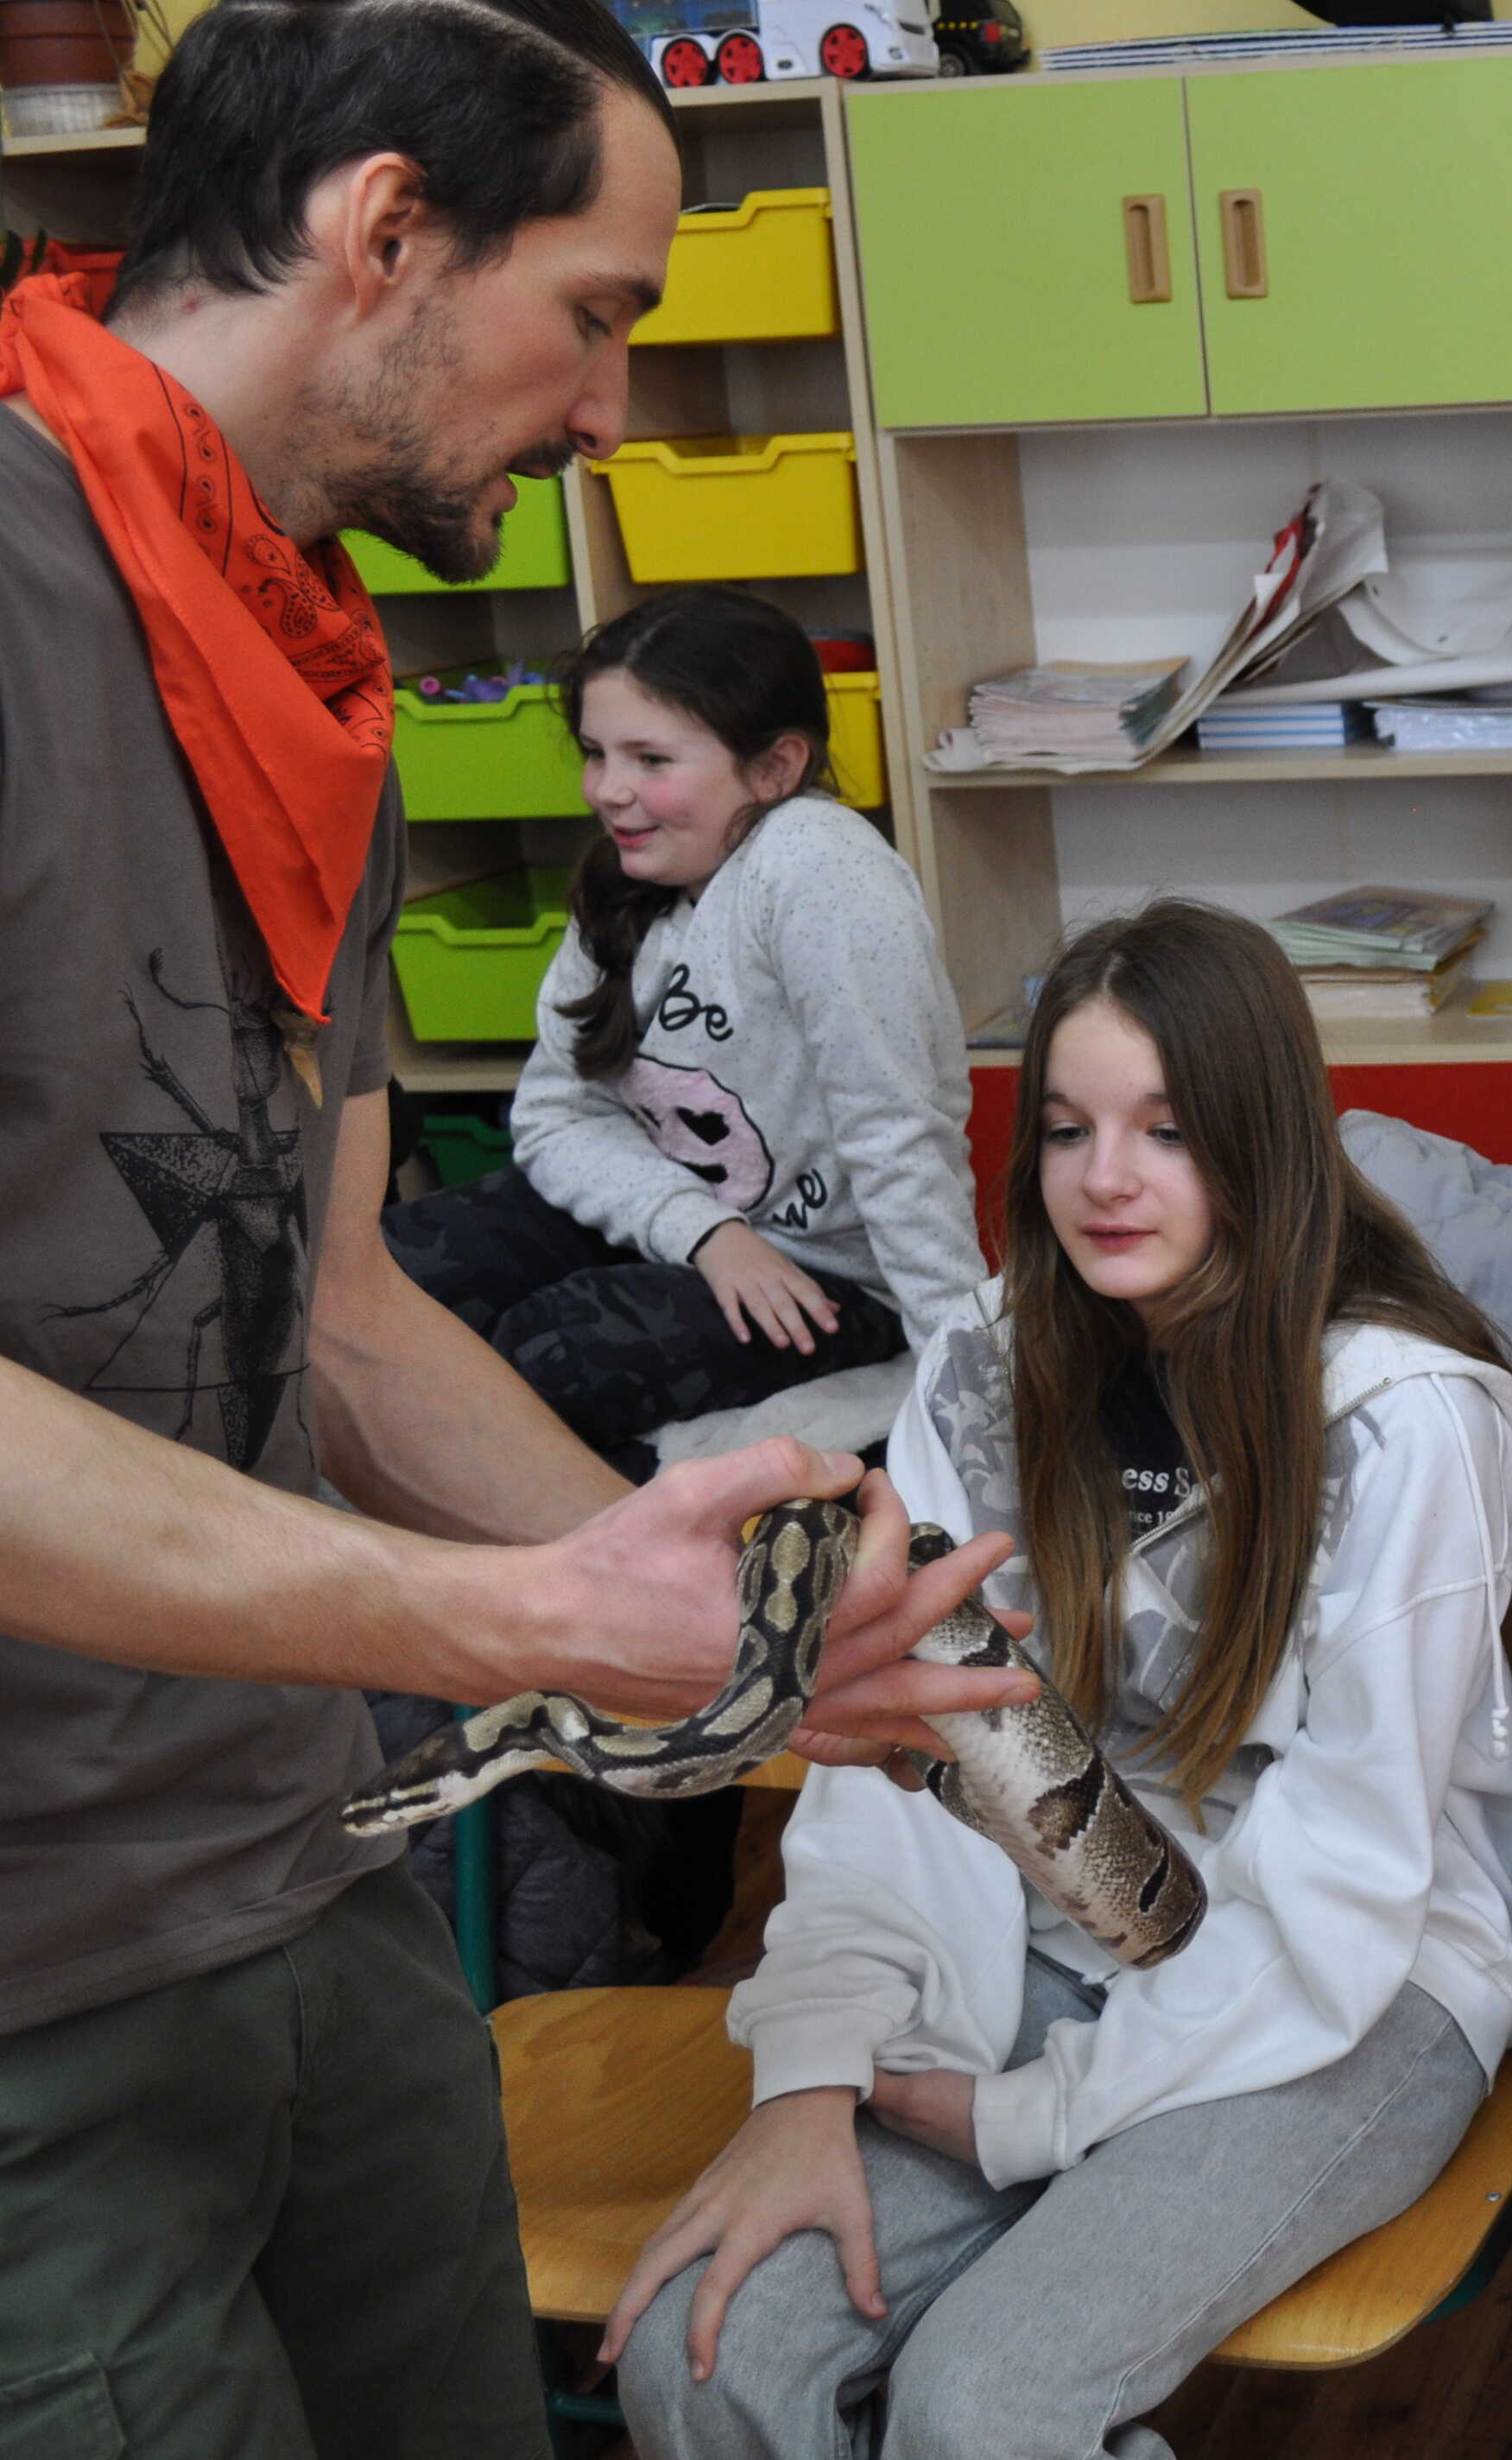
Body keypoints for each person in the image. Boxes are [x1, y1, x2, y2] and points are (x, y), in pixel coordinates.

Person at [0, 5, 1017, 2452]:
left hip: (292, 1861)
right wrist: (529, 1622)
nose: (613, 417)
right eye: (596, 314)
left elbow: (337, 1311)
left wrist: (729, 1644)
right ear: (386, 232)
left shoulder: (294, 661)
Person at [610, 900, 1512, 2459]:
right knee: (705, 2360)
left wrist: (1031, 2114)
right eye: (1066, 1128)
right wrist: (809, 2077)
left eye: (1166, 1130)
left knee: (982, 2409)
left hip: (1353, 1995)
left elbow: (1346, 1885)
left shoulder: (1410, 1420)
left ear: (1263, 1141)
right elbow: (903, 1762)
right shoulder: (986, 1367)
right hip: (1039, 1952)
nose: (1105, 1177)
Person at [385, 586, 983, 1474]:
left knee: (557, 1352)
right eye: (595, 754)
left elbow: (897, 1137)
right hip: (689, 1223)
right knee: (386, 1277)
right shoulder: (630, 880)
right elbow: (554, 1118)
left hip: (828, 1278)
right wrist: (703, 1232)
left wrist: (963, 1385)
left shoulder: (817, 866)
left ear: (775, 768)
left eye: (651, 758)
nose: (609, 790)